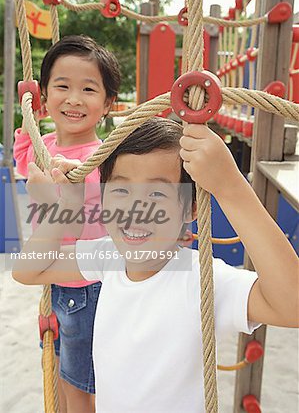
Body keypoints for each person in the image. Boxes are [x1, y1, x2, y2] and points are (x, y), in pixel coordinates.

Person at [13, 117, 299, 413]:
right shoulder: (109, 257)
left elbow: (292, 305)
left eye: (157, 194)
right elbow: (29, 269)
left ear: (190, 207)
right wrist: (65, 207)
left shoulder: (200, 279)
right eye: (121, 191)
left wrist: (230, 187)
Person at [13, 35, 121, 413]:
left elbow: (77, 222)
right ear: (45, 95)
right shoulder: (44, 145)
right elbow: (24, 159)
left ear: (108, 103)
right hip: (57, 280)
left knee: (80, 387)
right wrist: (28, 116)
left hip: (89, 288)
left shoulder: (103, 160)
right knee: (57, 368)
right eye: (62, 86)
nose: (74, 99)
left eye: (89, 89)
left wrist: (71, 184)